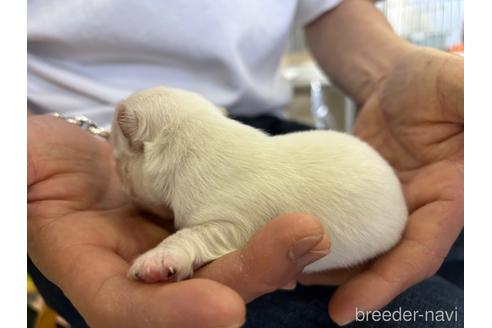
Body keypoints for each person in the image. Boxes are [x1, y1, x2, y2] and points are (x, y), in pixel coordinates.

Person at [27, 0, 464, 327]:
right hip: (63, 135)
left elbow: (329, 7)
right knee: (440, 314)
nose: (124, 176)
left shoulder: (212, 181)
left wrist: (389, 73)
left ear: (143, 142)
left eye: (125, 165)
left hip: (267, 129)